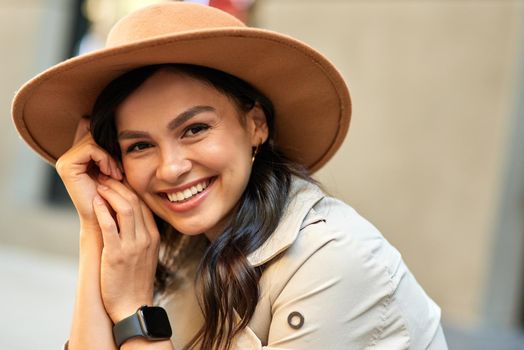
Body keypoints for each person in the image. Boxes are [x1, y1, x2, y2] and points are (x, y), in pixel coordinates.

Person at [11, 2, 448, 350]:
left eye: (195, 129)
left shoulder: (331, 260)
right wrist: (95, 232)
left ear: (255, 124)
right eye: (139, 145)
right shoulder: (182, 253)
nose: (171, 167)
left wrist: (134, 309)